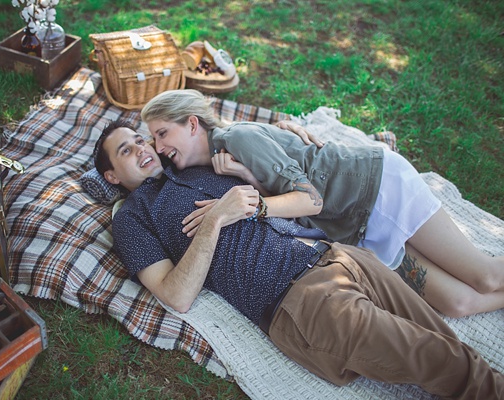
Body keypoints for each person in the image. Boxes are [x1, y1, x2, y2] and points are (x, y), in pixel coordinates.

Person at [93, 120, 503, 399]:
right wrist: (216, 218)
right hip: (300, 300)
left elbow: (236, 136)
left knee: (450, 346)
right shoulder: (132, 219)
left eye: (142, 140)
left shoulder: (194, 162)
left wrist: (286, 129)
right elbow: (175, 295)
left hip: (344, 257)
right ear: (112, 176)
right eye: (127, 150)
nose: (144, 149)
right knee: (444, 361)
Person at [139, 89, 504, 318]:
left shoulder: (237, 138)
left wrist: (251, 207)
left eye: (162, 133)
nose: (159, 147)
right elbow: (282, 179)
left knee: (485, 277)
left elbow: (310, 200)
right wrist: (249, 176)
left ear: (192, 124)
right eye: (154, 139)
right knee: (457, 304)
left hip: (377, 191)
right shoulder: (217, 162)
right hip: (355, 227)